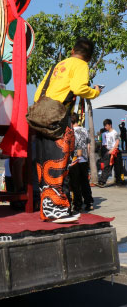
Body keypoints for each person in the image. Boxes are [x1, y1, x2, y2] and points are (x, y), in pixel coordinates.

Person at [34, 37, 100, 223]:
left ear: (72, 50)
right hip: (59, 120)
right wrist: (94, 92)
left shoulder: (58, 65)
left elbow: (39, 92)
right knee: (59, 161)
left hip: (42, 117)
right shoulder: (80, 65)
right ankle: (57, 209)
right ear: (88, 58)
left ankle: (47, 209)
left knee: (44, 162)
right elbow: (79, 88)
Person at [69, 113, 94, 212]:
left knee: (75, 183)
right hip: (84, 159)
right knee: (85, 182)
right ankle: (89, 203)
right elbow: (88, 146)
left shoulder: (70, 131)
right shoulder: (84, 130)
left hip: (74, 160)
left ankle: (78, 204)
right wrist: (87, 158)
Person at [98, 118, 123, 186]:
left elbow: (117, 141)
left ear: (110, 125)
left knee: (118, 167)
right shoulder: (104, 134)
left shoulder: (115, 132)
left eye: (106, 125)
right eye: (104, 126)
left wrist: (113, 149)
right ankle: (102, 181)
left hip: (116, 151)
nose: (105, 127)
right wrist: (108, 150)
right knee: (107, 167)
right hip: (108, 151)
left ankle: (118, 180)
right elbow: (104, 144)